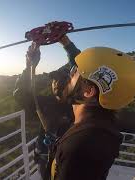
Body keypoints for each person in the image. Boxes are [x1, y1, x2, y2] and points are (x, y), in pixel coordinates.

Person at [48, 47, 135, 180]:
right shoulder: (99, 128)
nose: (70, 74)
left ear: (88, 91)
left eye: (74, 71)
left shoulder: (80, 147)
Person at [13, 35, 80, 178]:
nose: (56, 82)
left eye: (62, 79)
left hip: (71, 159)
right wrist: (30, 65)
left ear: (71, 83)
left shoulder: (78, 103)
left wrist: (67, 44)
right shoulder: (43, 103)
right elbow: (20, 94)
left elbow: (81, 67)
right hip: (45, 158)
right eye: (54, 80)